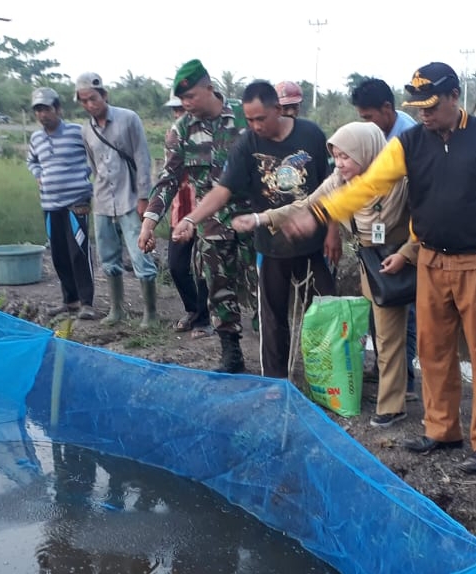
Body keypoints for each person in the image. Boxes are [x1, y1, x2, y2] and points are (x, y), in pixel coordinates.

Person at [279, 62, 476, 474]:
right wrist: (321, 211)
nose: (424, 114)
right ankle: (442, 430)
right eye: (419, 107)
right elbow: (368, 185)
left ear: (454, 96)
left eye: (432, 106)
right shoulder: (410, 143)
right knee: (433, 349)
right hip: (430, 260)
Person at [233, 122, 416, 427]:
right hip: (370, 259)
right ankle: (390, 391)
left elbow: (423, 223)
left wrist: (406, 254)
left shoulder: (399, 182)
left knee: (391, 332)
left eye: (347, 156)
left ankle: (393, 404)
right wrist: (260, 218)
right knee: (379, 328)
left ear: (367, 152)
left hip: (400, 259)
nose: (340, 163)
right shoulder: (340, 181)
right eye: (337, 156)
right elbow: (308, 204)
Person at [174, 81, 337, 379]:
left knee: (324, 313)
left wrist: (332, 231)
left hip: (313, 244)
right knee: (273, 320)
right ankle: (275, 381)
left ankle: (327, 379)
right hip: (271, 246)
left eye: (260, 118)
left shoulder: (310, 134)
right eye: (249, 120)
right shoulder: (247, 144)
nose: (255, 125)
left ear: (277, 109)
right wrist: (190, 219)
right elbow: (222, 191)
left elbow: (331, 187)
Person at [138, 60, 257, 373]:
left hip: (254, 218)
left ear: (209, 88)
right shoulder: (181, 131)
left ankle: (275, 360)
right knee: (218, 290)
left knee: (264, 292)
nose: (186, 104)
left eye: (190, 96)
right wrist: (149, 222)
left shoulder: (245, 116)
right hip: (212, 222)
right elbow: (168, 179)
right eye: (182, 99)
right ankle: (231, 355)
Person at [351, 77, 420, 401]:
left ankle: (404, 381)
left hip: (405, 239)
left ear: (387, 109)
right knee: (380, 302)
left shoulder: (408, 138)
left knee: (401, 305)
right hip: (375, 239)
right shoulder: (373, 137)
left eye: (368, 117)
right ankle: (383, 369)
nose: (365, 124)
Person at [76, 71, 158, 328]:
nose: (90, 104)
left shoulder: (128, 119)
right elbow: (93, 165)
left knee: (139, 253)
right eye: (84, 100)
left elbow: (143, 158)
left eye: (94, 98)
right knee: (108, 255)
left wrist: (143, 196)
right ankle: (117, 309)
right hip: (102, 200)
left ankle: (151, 314)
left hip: (129, 198)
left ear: (104, 95)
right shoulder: (86, 130)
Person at [26, 87, 97, 320]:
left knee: (79, 252)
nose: (42, 115)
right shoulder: (36, 137)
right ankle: (71, 301)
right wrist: (39, 175)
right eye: (38, 110)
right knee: (58, 253)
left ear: (58, 109)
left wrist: (84, 176)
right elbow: (32, 161)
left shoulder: (78, 132)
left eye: (46, 109)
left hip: (76, 201)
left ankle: (87, 303)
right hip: (49, 203)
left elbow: (94, 156)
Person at [160, 93, 211, 337]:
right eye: (176, 111)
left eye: (182, 110)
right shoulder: (173, 137)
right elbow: (167, 176)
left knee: (203, 267)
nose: (179, 115)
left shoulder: (208, 137)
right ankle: (192, 309)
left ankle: (204, 318)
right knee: (177, 266)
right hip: (180, 210)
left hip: (206, 211)